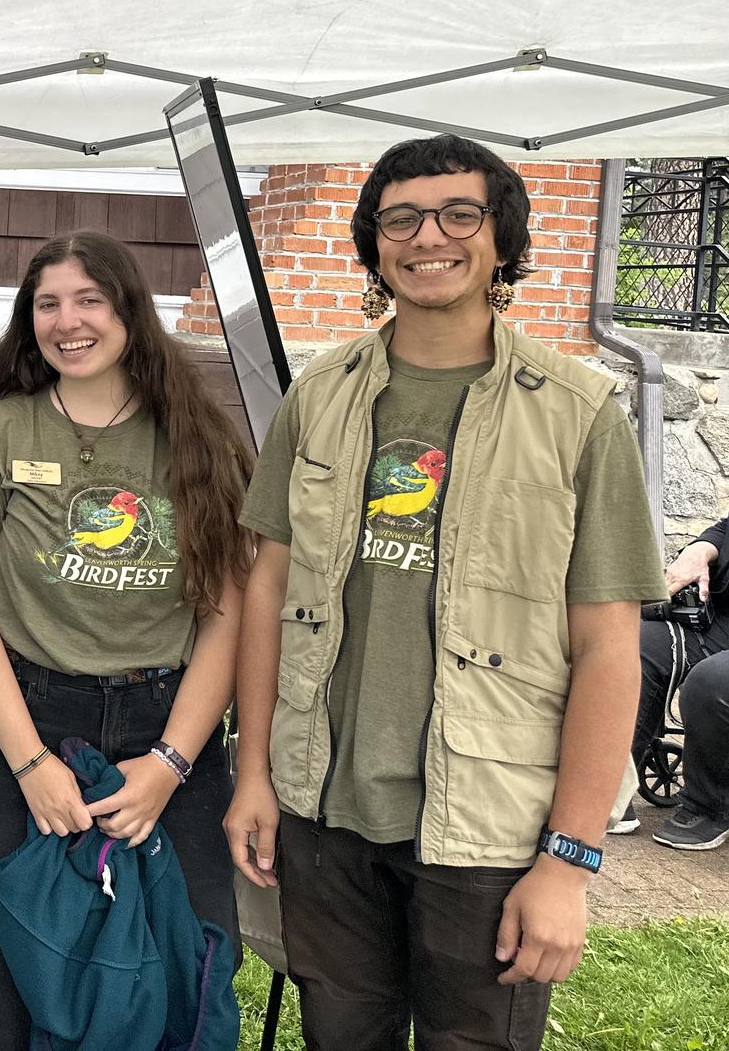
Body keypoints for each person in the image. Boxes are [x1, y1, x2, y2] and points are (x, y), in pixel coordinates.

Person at [225, 134, 664, 1051]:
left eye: (460, 214)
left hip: (488, 828)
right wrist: (257, 772)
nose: (430, 236)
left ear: (501, 237)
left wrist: (570, 860)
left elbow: (611, 650)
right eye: (401, 218)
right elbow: (266, 590)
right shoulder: (321, 395)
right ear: (374, 244)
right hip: (325, 809)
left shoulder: (578, 414)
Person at [0, 231, 254, 1049]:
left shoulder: (195, 435)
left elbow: (227, 614)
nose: (67, 321)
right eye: (48, 304)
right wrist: (31, 764)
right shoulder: (0, 431)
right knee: (2, 961)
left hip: (164, 723)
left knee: (178, 953)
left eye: (89, 300)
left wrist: (173, 763)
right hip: (20, 719)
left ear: (128, 312)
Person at [619, 520, 729, 851]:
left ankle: (710, 807)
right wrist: (701, 548)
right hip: (719, 620)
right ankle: (612, 785)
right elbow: (726, 527)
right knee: (627, 645)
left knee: (712, 681)